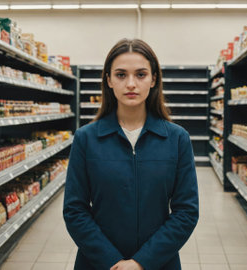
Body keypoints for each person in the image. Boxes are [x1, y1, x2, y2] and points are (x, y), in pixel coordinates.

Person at [63, 38, 199, 270]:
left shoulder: (177, 139)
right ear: (108, 80)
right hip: (98, 263)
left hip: (158, 263)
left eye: (141, 74)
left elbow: (186, 211)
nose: (131, 84)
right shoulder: (86, 139)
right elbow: (75, 210)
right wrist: (111, 261)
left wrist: (141, 262)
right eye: (121, 75)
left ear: (154, 79)